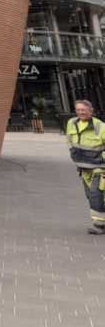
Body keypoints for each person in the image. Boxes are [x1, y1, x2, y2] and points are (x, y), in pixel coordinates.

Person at [65, 98, 105, 234]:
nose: (81, 112)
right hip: (83, 168)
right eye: (78, 110)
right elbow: (69, 140)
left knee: (96, 194)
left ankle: (99, 225)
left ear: (91, 111)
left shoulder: (100, 126)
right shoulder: (71, 123)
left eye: (83, 110)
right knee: (90, 195)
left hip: (99, 167)